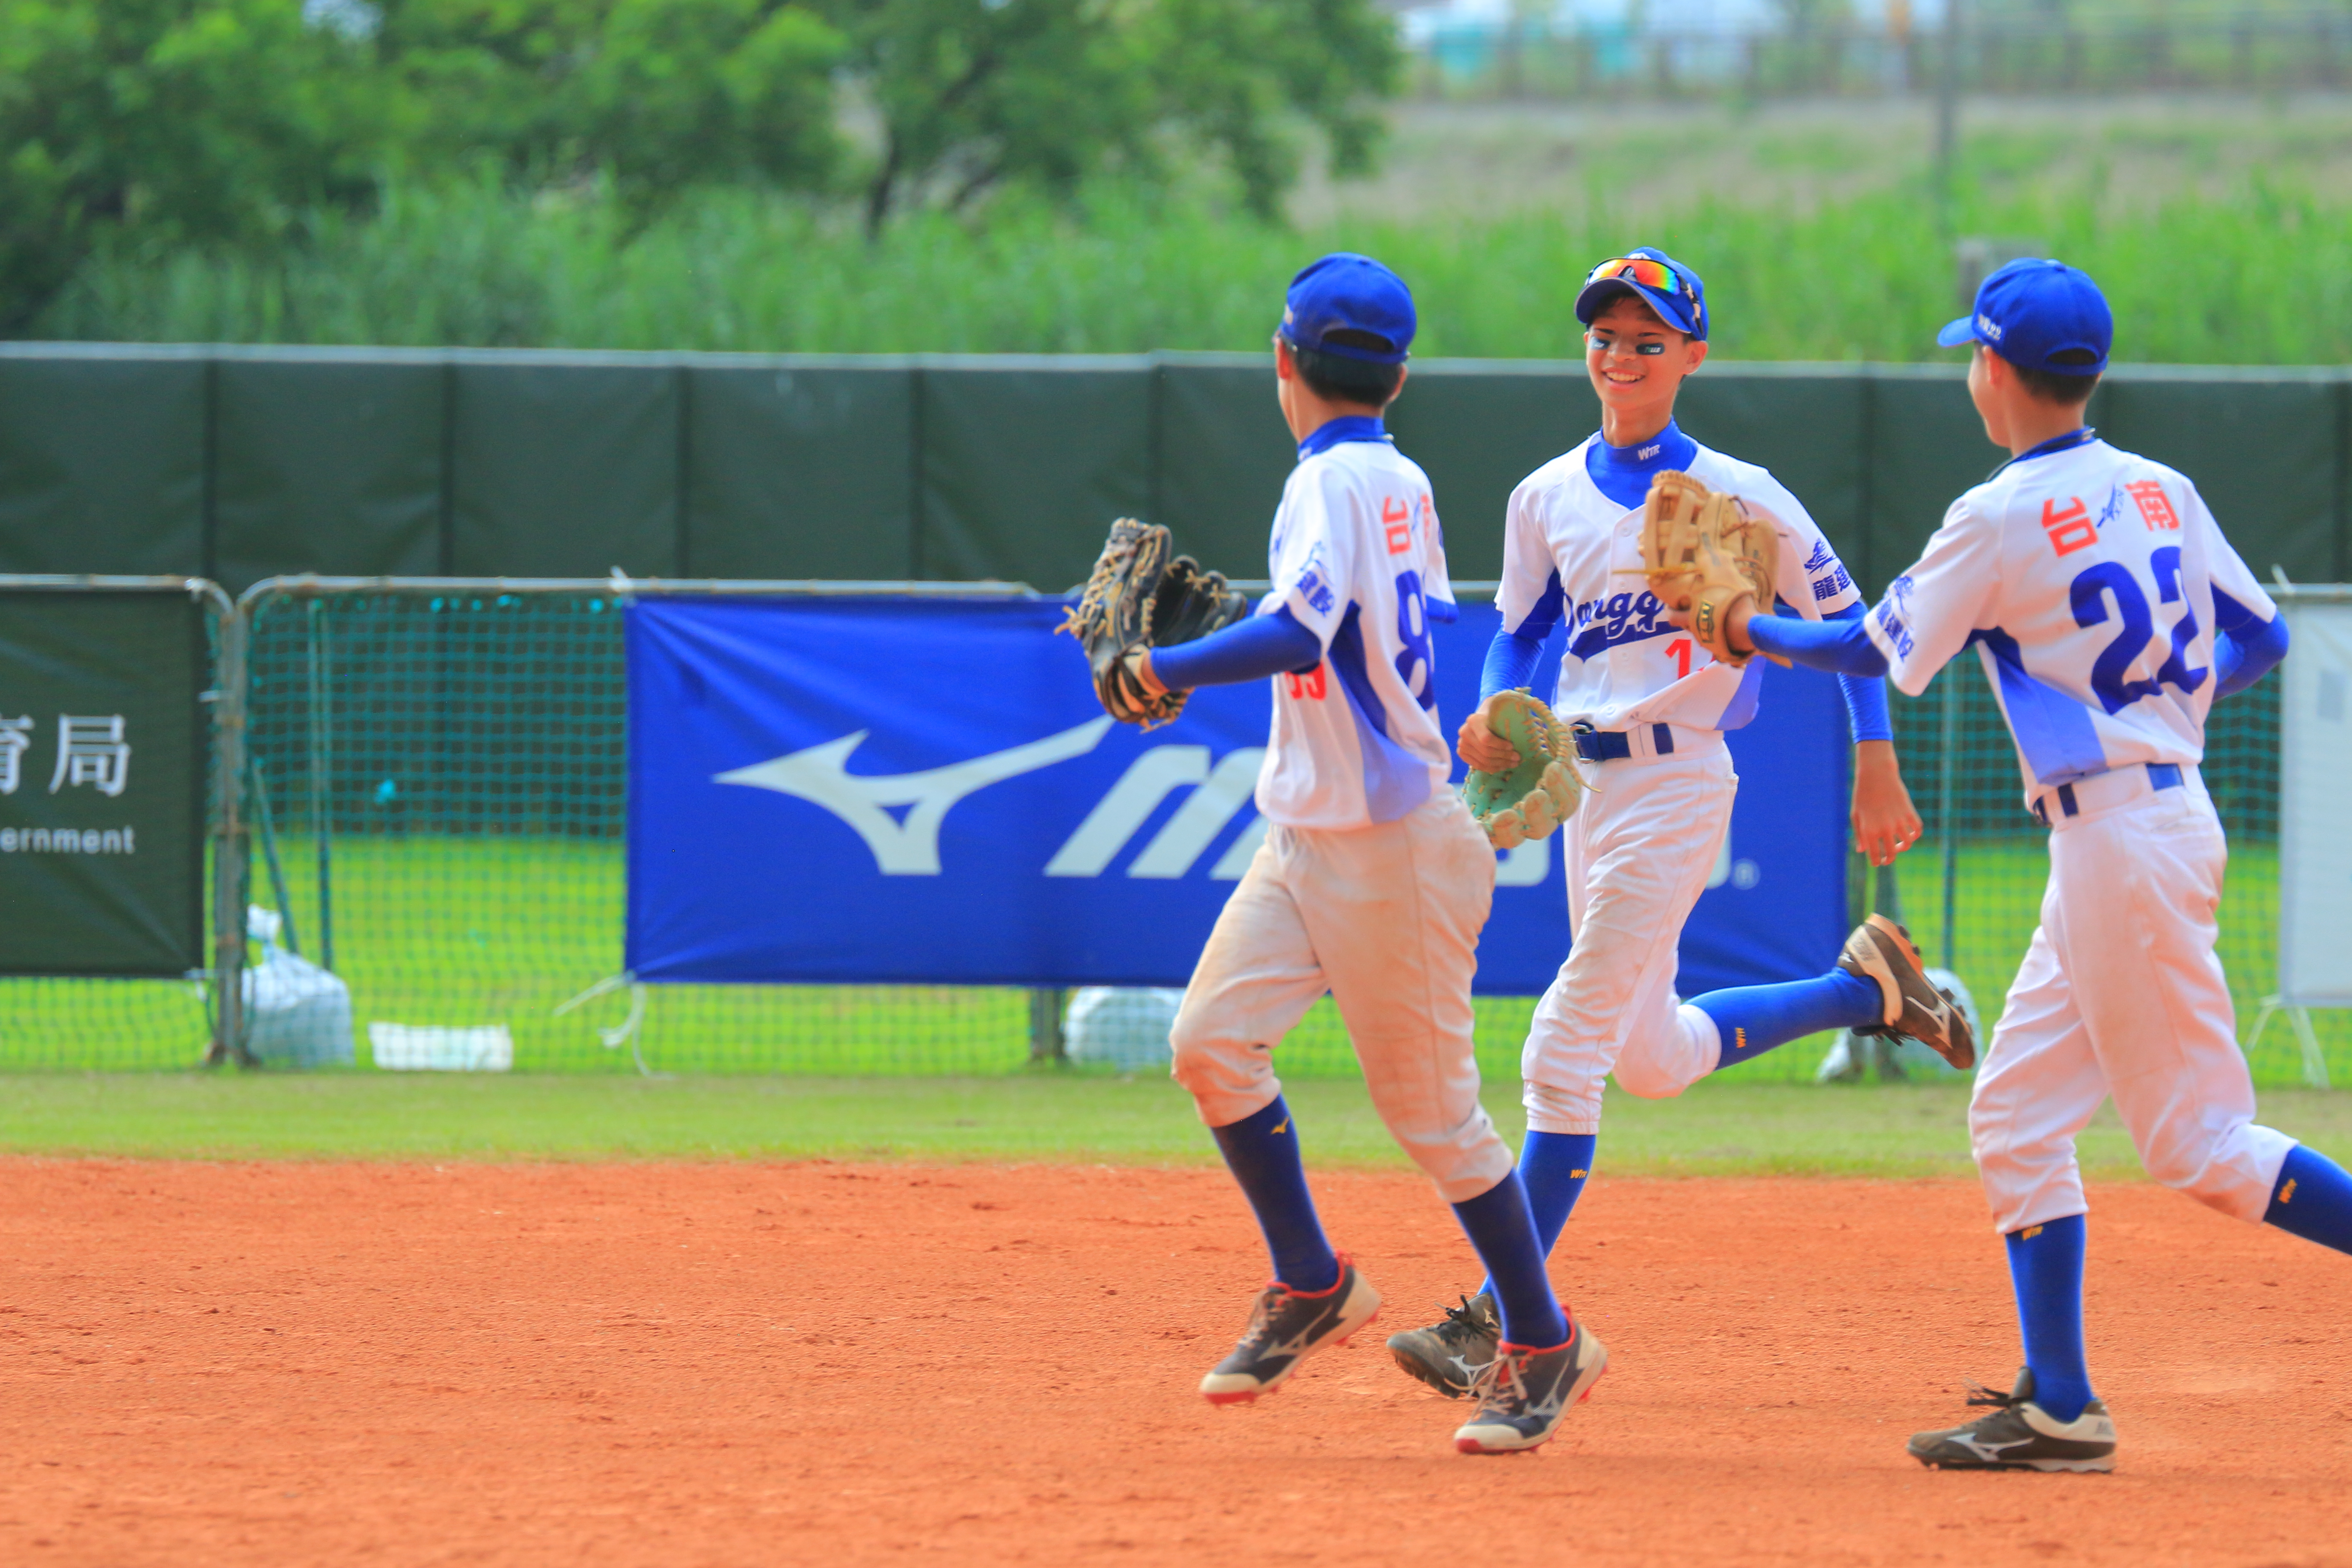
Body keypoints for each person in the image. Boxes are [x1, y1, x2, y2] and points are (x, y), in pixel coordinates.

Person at [1716, 257, 2352, 1472]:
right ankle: (2059, 1405)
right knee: (2013, 1118)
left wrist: (1746, 626)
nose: (1970, 369)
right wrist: (2162, 716)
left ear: (1994, 371)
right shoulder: (2162, 487)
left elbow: (1866, 649)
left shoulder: (1997, 515)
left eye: (1974, 352)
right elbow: (2259, 631)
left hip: (2124, 844)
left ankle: (2062, 1402)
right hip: (2137, 825)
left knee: (2202, 1149)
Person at [1384, 248, 1960, 1400]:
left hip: (1683, 781)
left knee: (1563, 1046)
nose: (1622, 356)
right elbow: (1518, 629)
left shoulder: (1745, 495)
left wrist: (1878, 766)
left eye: (1648, 341)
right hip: (1587, 791)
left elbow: (1852, 631)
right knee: (1651, 1058)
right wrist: (1496, 706)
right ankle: (1868, 994)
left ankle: (1505, 1320)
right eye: (1604, 336)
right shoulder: (1545, 496)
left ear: (1692, 356)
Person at [1133, 253, 1604, 1455]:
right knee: (1211, 1045)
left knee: (1439, 1119)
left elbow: (1302, 627)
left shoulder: (1330, 482)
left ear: (1284, 362)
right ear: (1398, 376)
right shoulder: (1397, 476)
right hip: (1315, 827)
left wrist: (1166, 667)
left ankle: (1544, 1340)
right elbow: (1326, 634)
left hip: (1389, 844)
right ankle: (1311, 1280)